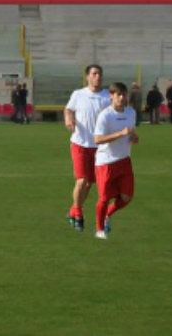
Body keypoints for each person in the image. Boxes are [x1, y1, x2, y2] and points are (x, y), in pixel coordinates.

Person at [63, 64, 111, 232]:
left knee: (90, 183)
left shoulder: (107, 96)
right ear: (87, 77)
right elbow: (68, 109)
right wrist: (69, 119)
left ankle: (74, 208)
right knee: (82, 180)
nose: (98, 77)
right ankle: (77, 211)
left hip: (99, 147)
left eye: (100, 74)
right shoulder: (78, 94)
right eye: (94, 73)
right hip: (80, 144)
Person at [93, 82, 139, 239]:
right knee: (104, 198)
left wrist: (134, 137)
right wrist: (120, 134)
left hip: (124, 160)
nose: (121, 97)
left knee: (126, 197)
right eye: (118, 94)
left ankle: (108, 214)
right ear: (111, 96)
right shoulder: (105, 115)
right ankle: (99, 230)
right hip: (106, 162)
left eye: (123, 94)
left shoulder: (131, 113)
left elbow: (132, 134)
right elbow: (97, 139)